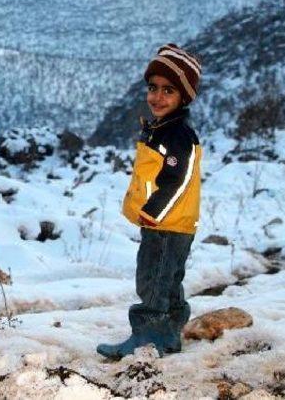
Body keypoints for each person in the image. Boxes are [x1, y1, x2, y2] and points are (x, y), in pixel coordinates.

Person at [97, 43, 203, 360]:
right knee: (167, 280)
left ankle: (147, 338)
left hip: (166, 223)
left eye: (168, 90)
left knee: (152, 281)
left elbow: (178, 178)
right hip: (172, 223)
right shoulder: (162, 129)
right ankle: (168, 333)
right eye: (153, 88)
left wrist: (152, 212)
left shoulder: (177, 135)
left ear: (184, 96)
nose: (157, 97)